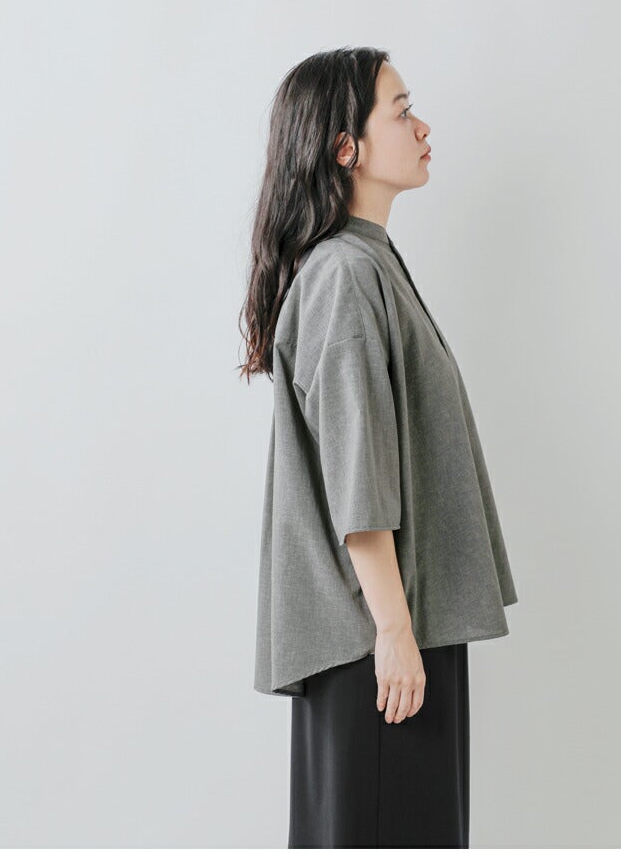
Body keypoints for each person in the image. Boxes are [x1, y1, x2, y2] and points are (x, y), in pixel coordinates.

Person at [239, 46, 518, 848]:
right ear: (345, 147)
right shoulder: (345, 276)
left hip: (393, 631)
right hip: (379, 639)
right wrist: (394, 634)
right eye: (401, 112)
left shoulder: (367, 263)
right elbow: (357, 483)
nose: (422, 127)